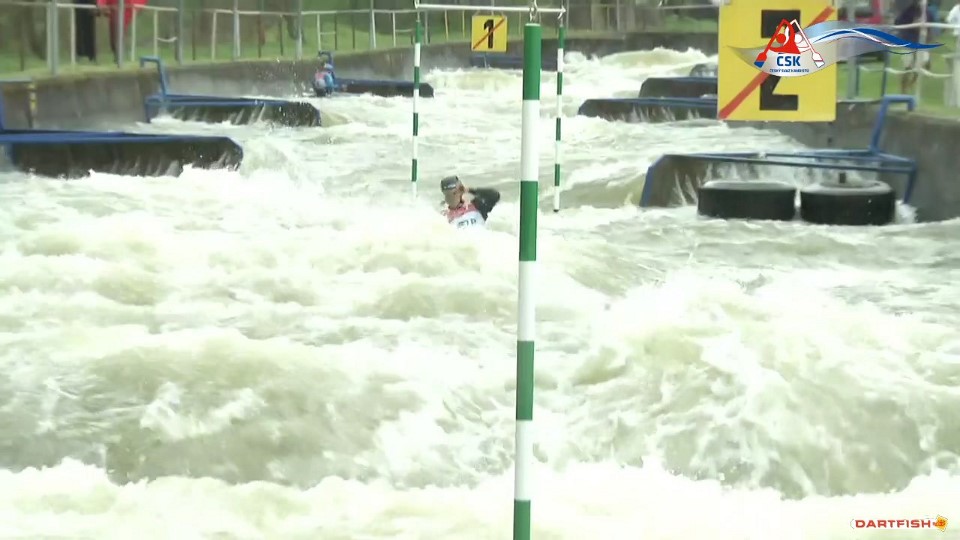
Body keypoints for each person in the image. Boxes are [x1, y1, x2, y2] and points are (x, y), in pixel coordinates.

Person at [895, 0, 937, 93]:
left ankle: (911, 84)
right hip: (908, 41)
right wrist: (912, 25)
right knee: (907, 66)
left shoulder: (928, 13)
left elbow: (930, 28)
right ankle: (903, 89)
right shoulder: (908, 11)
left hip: (921, 43)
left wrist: (929, 40)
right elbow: (898, 23)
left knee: (920, 64)